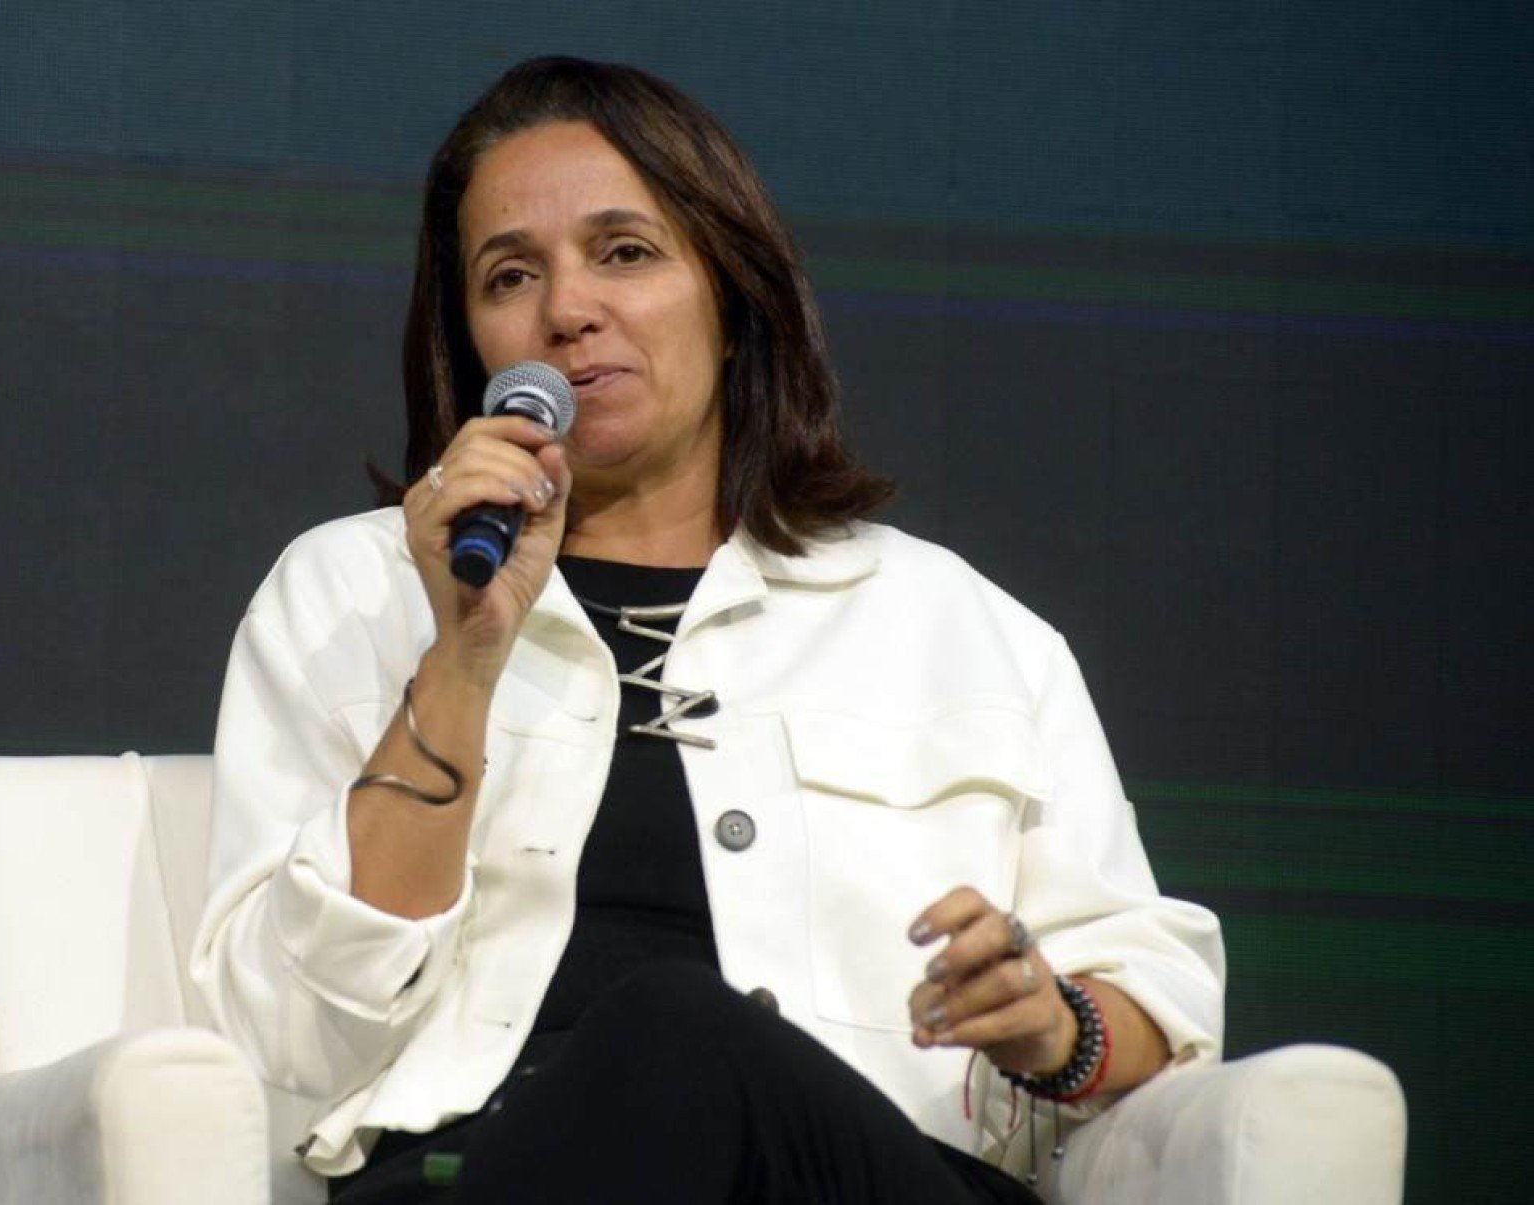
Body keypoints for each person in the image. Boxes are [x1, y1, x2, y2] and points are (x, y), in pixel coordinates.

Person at [191, 56, 1224, 1204]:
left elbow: (1161, 999)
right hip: (476, 1173)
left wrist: (1056, 1026)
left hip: (854, 1179)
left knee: (681, 1034)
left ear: (734, 300)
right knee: (654, 1049)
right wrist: (463, 657)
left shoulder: (955, 625)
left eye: (624, 252)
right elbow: (286, 1033)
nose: (567, 309)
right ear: (470, 337)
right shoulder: (352, 591)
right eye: (510, 274)